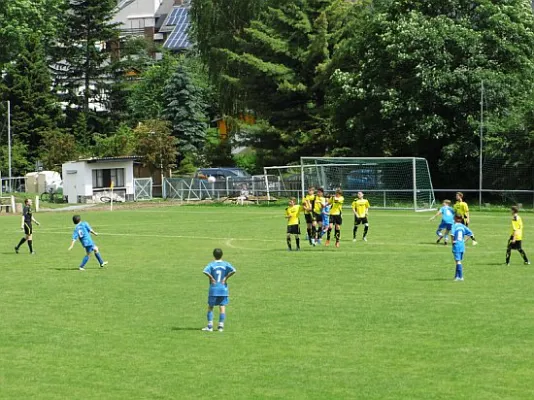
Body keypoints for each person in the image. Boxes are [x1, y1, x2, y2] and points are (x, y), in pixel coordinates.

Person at [202, 248, 236, 332]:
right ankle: (220, 326)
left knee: (210, 307)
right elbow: (234, 270)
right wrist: (225, 278)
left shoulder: (211, 264)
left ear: (214, 255)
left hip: (214, 289)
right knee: (222, 306)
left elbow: (204, 271)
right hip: (223, 289)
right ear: (222, 255)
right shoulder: (225, 264)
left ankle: (210, 326)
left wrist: (211, 278)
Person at [451, 214, 475, 281]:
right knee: (458, 261)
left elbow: (452, 235)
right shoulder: (463, 226)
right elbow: (471, 234)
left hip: (457, 245)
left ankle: (461, 277)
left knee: (458, 261)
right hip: (462, 245)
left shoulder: (454, 226)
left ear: (455, 218)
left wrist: (453, 242)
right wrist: (464, 241)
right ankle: (456, 277)